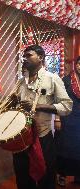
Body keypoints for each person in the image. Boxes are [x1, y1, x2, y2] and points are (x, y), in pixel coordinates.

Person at [10, 45, 72, 189]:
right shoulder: (20, 82)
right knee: (23, 176)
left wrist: (36, 107)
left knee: (46, 177)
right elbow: (14, 105)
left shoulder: (52, 79)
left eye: (29, 55)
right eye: (23, 56)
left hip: (43, 137)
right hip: (22, 138)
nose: (25, 59)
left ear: (41, 58)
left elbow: (67, 107)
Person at [56, 56, 80, 187]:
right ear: (75, 65)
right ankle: (62, 175)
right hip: (68, 119)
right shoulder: (66, 80)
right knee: (64, 148)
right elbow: (59, 100)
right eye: (79, 64)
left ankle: (78, 175)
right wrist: (58, 119)